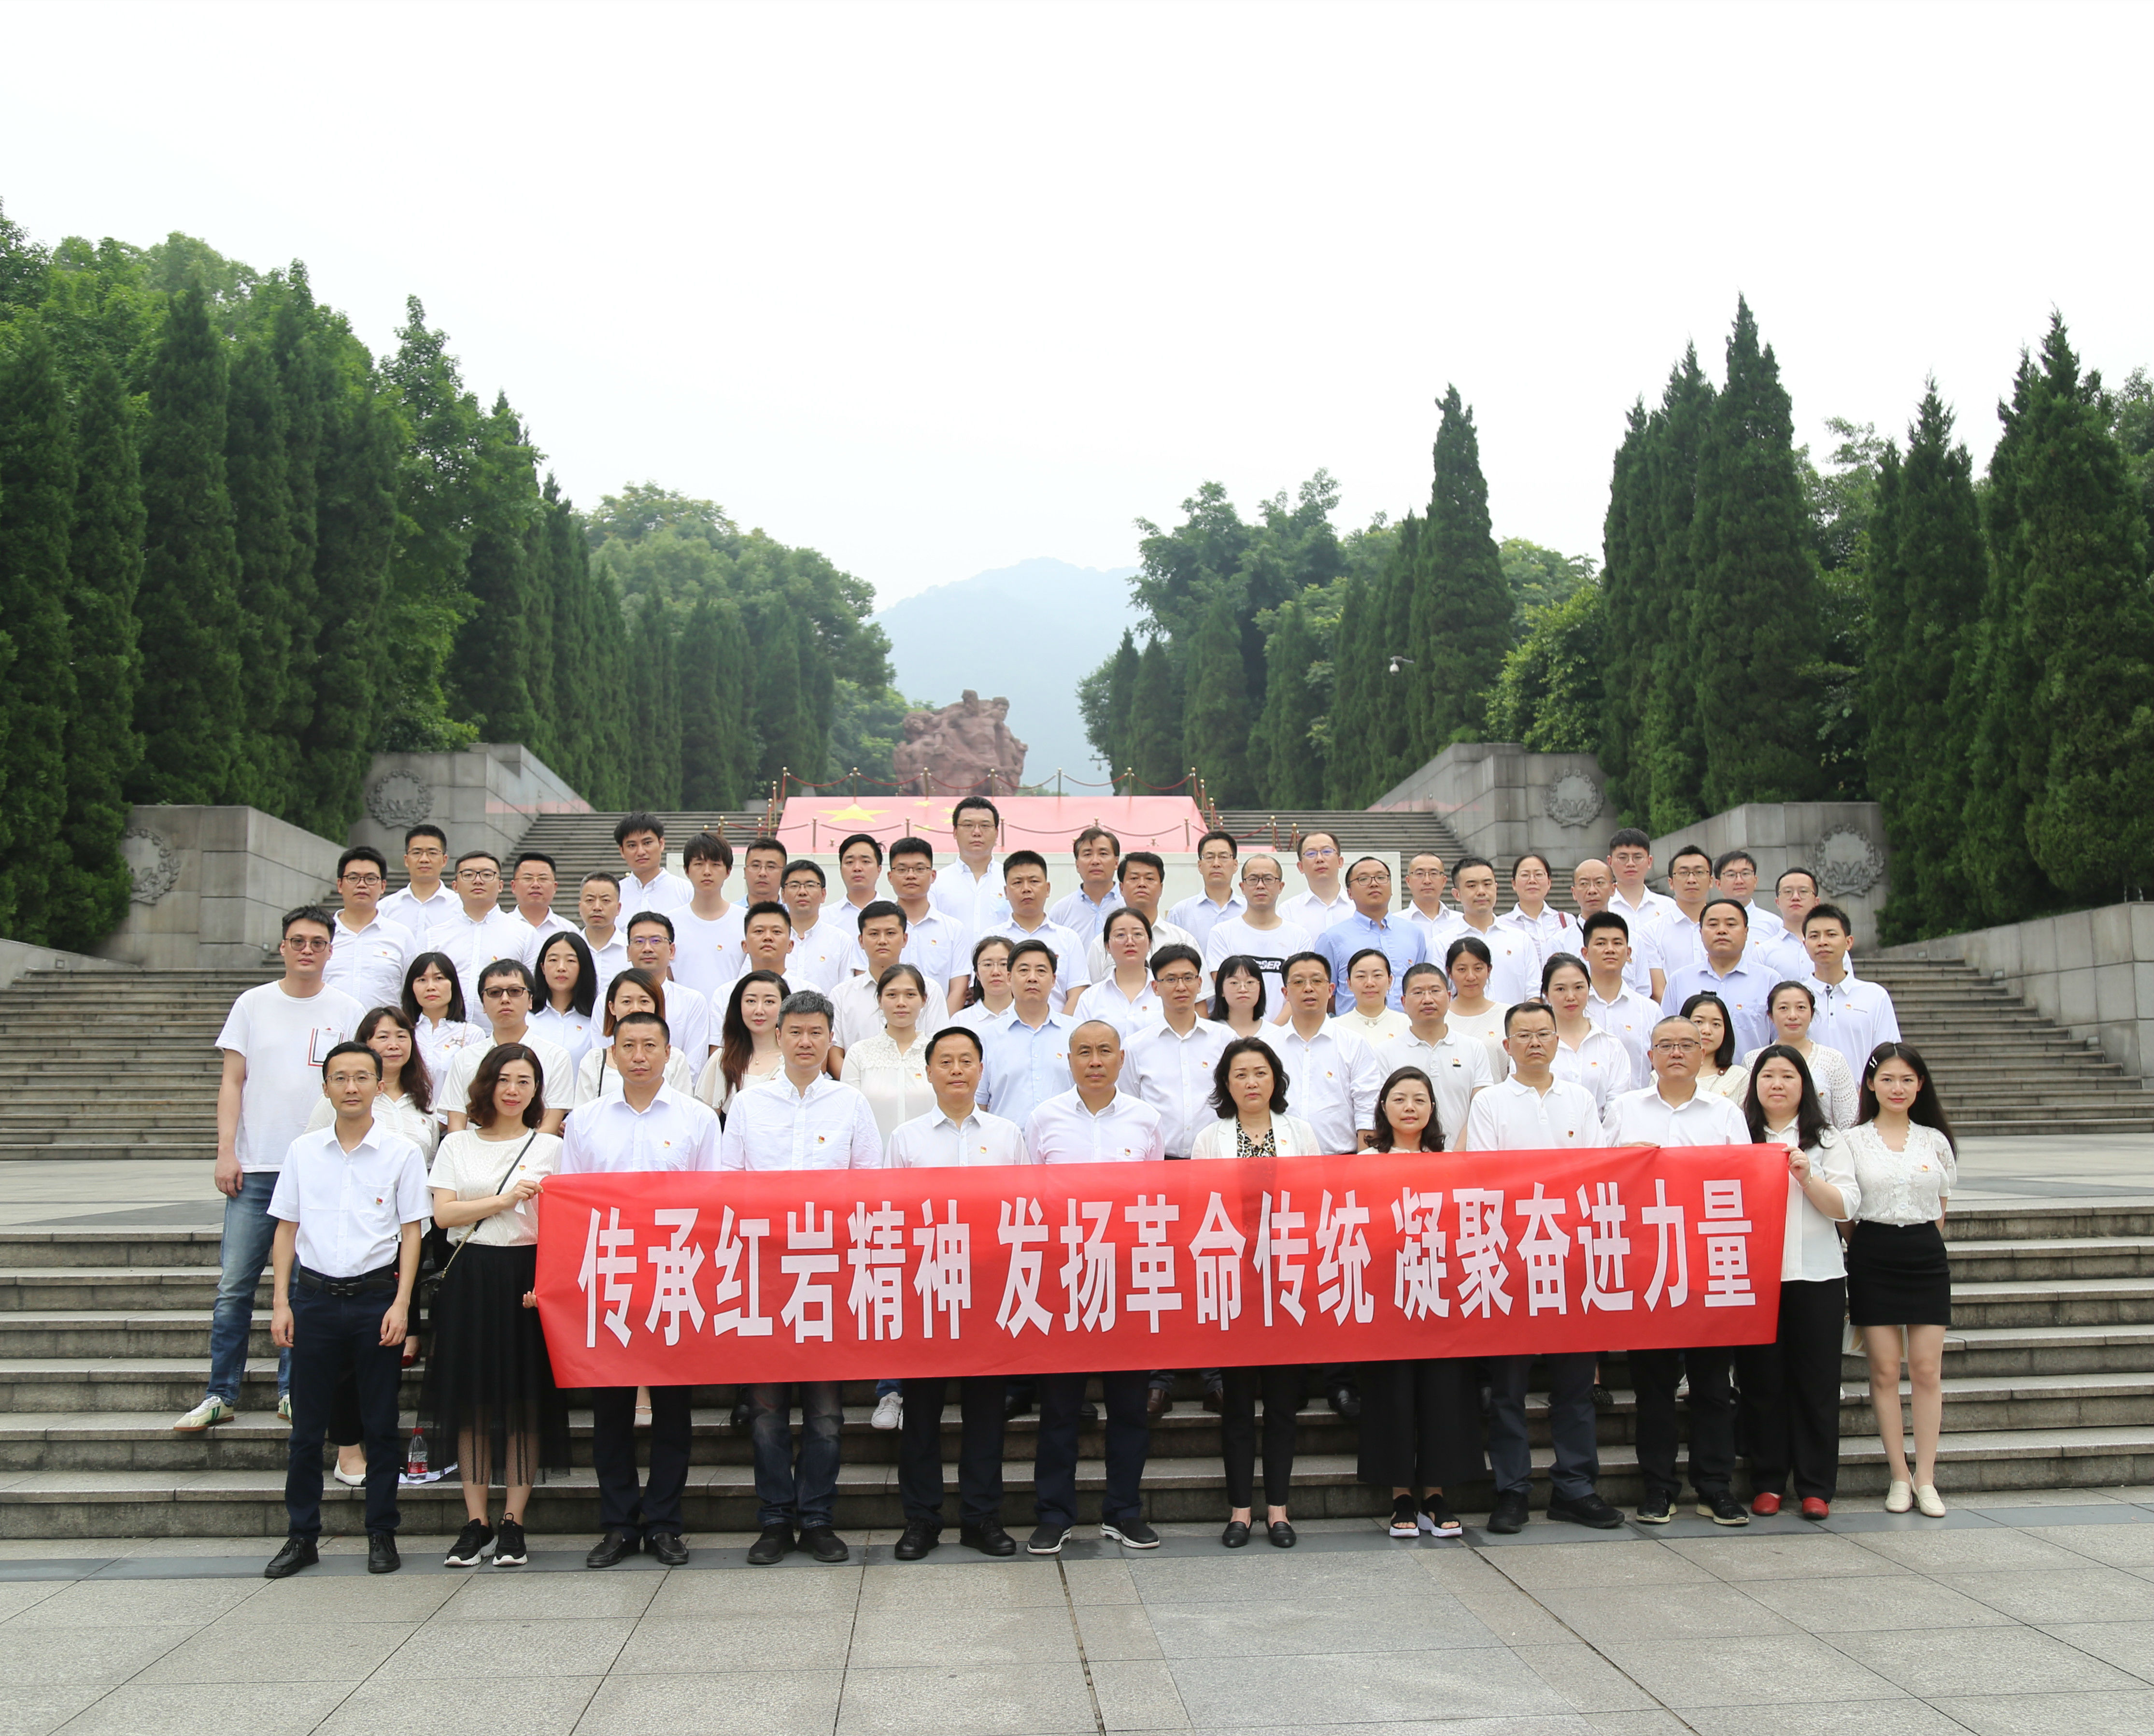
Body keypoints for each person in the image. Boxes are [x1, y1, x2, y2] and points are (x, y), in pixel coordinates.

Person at [175, 908, 364, 1435]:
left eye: (318, 942)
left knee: (305, 1287)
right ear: (282, 947)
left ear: (331, 951)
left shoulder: (348, 1010)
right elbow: (232, 1082)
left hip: (317, 1168)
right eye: (297, 941)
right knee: (235, 1285)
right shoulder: (252, 1004)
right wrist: (226, 1151)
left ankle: (291, 1391)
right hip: (256, 1167)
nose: (307, 950)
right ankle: (221, 1393)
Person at [720, 991, 883, 1565]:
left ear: (830, 1037)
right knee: (766, 1411)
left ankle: (816, 1518)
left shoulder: (851, 1103)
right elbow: (728, 1186)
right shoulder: (748, 1104)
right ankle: (773, 1520)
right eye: (796, 1032)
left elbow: (868, 1186)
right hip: (764, 1274)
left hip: (828, 1273)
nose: (806, 1042)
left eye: (816, 1032)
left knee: (826, 1413)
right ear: (779, 1036)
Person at [261, 1041, 429, 1579]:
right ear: (326, 1087)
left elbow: (412, 1233)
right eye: (340, 1078)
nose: (351, 1087)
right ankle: (301, 1537)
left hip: (376, 1300)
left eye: (361, 1077)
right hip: (314, 1300)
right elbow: (286, 1229)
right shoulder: (303, 1152)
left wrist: (402, 1305)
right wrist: (281, 1302)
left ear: (380, 1085)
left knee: (380, 1423)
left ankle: (381, 1531)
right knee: (307, 1429)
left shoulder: (402, 1153)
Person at [563, 1010, 719, 1569]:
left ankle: (665, 1524)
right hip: (608, 1278)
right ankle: (618, 1524)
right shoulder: (584, 1121)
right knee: (610, 1410)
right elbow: (571, 1205)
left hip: (676, 1277)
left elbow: (713, 1203)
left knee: (673, 1410)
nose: (638, 1056)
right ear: (612, 1053)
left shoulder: (698, 1119)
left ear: (668, 1054)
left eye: (649, 1045)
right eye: (628, 1045)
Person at [1461, 1002, 1616, 1530]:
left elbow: (1596, 1174)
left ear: (1556, 1041)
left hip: (1572, 1261)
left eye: (1543, 1034)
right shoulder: (1490, 1102)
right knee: (1508, 1389)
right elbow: (1486, 1178)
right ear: (1506, 1045)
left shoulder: (1579, 1099)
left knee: (1575, 1386)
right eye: (1523, 1035)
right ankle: (1512, 1490)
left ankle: (1575, 1488)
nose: (1534, 1043)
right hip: (1510, 1261)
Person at [1023, 1020, 1165, 1554]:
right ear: (1069, 1060)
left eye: (1105, 1051)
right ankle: (1054, 1514)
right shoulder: (1044, 1118)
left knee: (1128, 1407)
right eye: (1084, 1052)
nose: (1095, 1061)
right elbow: (1030, 1199)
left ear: (1121, 1058)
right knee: (1060, 1408)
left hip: (1127, 1277)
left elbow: (1157, 1198)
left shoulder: (1145, 1119)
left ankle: (1123, 1512)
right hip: (1064, 1279)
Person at [1604, 1014, 1752, 1527]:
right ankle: (1658, 1488)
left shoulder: (1725, 1112)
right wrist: (1622, 1159)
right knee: (1653, 1387)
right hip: (1647, 1266)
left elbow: (1744, 1181)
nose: (1675, 1053)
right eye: (1665, 1045)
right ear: (1650, 1055)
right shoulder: (1624, 1110)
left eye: (1686, 1045)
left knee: (1712, 1385)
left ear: (1702, 1053)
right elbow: (1599, 1179)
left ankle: (1715, 1487)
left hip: (1709, 1265)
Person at [425, 1044, 567, 1569]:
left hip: (527, 1275)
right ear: (486, 1084)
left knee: (523, 1403)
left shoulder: (551, 1147)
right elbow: (443, 1216)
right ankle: (475, 1520)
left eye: (524, 1081)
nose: (513, 1090)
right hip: (470, 1272)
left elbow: (564, 1224)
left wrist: (548, 1283)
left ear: (537, 1091)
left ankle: (513, 1522)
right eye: (505, 1079)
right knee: (472, 1405)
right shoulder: (457, 1143)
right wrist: (504, 1201)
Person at [887, 1026, 1027, 1560]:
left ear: (980, 1070)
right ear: (928, 1073)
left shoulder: (1008, 1135)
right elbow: (891, 1216)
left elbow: (1024, 1211)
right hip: (926, 1289)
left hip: (989, 1290)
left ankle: (980, 1517)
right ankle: (921, 1520)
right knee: (921, 1414)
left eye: (966, 1060)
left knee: (986, 1412)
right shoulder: (906, 1139)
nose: (956, 1070)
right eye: (945, 1061)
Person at [1189, 1037, 1316, 1548]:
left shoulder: (1299, 1133)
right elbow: (1198, 1209)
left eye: (1260, 1072)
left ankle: (1278, 1512)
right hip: (1234, 1282)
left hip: (1286, 1281)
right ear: (1227, 1083)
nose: (1251, 1082)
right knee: (1238, 1404)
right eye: (1240, 1074)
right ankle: (1239, 1511)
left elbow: (1316, 1203)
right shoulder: (1210, 1139)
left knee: (1283, 1404)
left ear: (1275, 1079)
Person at [303, 1005, 437, 1485]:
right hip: (350, 1246)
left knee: (386, 1354)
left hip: (410, 1234)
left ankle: (382, 1453)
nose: (393, 1043)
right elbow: (314, 1165)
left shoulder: (423, 1102)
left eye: (401, 1034)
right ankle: (348, 1451)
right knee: (346, 1364)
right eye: (382, 1035)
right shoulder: (341, 1098)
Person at [1358, 1066, 1483, 1541]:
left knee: (1443, 1394)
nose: (1409, 1108)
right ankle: (1400, 1498)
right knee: (1392, 1395)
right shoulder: (1363, 1163)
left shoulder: (1449, 1163)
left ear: (1432, 1108)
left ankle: (1435, 1494)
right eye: (1399, 1099)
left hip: (1440, 1294)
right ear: (1383, 1107)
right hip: (1385, 1295)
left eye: (1419, 1100)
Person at [1738, 1046, 1858, 1521]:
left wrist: (1808, 1178)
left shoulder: (1826, 1140)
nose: (1777, 1084)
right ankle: (1768, 1480)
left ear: (1803, 1085)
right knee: (1761, 1382)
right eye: (1768, 1075)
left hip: (1817, 1276)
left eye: (1788, 1076)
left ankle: (1815, 1486)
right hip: (1756, 1278)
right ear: (1755, 1085)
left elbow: (1845, 1206)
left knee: (1817, 1383)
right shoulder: (1739, 1135)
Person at [1846, 1043, 1956, 1518]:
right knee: (1885, 1371)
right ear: (1870, 1084)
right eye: (1887, 1079)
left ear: (1920, 1085)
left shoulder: (1934, 1140)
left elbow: (1941, 1207)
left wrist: (1917, 1240)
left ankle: (1926, 1478)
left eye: (1907, 1080)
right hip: (1872, 1255)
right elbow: (1845, 1214)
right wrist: (1868, 1247)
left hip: (1925, 1256)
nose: (1897, 1088)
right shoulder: (1851, 1141)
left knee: (1927, 1370)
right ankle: (1898, 1476)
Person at [439, 960, 573, 1135]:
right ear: (483, 1004)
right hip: (472, 1149)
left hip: (533, 1150)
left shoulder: (556, 1057)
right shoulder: (465, 1058)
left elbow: (549, 1127)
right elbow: (456, 1126)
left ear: (530, 1000)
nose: (505, 999)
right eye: (494, 993)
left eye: (515, 991)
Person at [1274, 953, 1382, 1155]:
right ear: (1285, 993)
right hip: (1279, 1161)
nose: (1308, 988)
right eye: (1298, 982)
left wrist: (1365, 1163)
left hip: (1341, 1162)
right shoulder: (1267, 1046)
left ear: (1331, 989)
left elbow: (1367, 1110)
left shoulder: (1354, 1044)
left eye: (1317, 981)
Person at [977, 939, 1077, 1134]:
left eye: (1041, 971)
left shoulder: (1076, 1034)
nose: (1032, 978)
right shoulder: (987, 1037)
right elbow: (980, 1103)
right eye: (1024, 970)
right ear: (1009, 978)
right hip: (1006, 1144)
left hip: (1065, 1142)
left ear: (1054, 980)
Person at [1659, 897, 1774, 1057]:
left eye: (1731, 924)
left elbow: (1780, 1039)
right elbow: (1666, 1036)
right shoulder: (1680, 980)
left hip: (1751, 1072)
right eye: (1713, 925)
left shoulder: (1769, 980)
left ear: (1746, 932)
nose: (1722, 931)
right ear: (1701, 933)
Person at [1394, 961, 1494, 1138]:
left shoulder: (1474, 1048)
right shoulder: (1386, 1052)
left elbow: (1482, 1109)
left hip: (1465, 1151)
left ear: (1449, 997)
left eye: (1435, 991)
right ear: (1404, 1002)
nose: (1428, 1000)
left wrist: (1459, 1151)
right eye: (1418, 993)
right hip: (1408, 1152)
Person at [1202, 853, 1312, 1012]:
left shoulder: (1299, 936)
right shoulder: (1222, 933)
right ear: (1242, 887)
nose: (1260, 885)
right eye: (1253, 879)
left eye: (1268, 879)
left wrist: (1274, 1026)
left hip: (1285, 1026)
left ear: (1281, 887)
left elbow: (1300, 990)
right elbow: (1225, 988)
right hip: (1238, 1025)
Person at [1803, 903, 1900, 1079]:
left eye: (1831, 935)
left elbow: (1888, 1056)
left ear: (1848, 942)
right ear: (1805, 944)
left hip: (1861, 1094)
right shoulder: (1795, 997)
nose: (1822, 942)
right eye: (1814, 936)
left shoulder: (1875, 996)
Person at [1315, 856, 1426, 1010]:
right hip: (1354, 1024)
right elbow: (1324, 994)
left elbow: (1421, 984)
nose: (1374, 884)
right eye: (1364, 879)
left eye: (1381, 878)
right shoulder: (1332, 939)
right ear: (1350, 893)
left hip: (1406, 1023)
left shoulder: (1414, 933)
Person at [840, 964, 937, 1139]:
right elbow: (848, 1116)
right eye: (892, 995)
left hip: (928, 1153)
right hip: (874, 1154)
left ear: (924, 1000)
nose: (901, 1003)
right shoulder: (859, 1054)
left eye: (910, 995)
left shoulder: (937, 1053)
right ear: (880, 1000)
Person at [426, 851, 530, 1011]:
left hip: (503, 1025)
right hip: (448, 1025)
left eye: (487, 875)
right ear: (455, 886)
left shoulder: (524, 933)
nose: (478, 881)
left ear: (501, 885)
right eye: (468, 875)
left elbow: (532, 989)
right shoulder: (434, 936)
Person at [573, 968, 696, 1103]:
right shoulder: (594, 1061)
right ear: (612, 1007)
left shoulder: (675, 1059)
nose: (635, 1009)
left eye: (644, 1001)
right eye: (627, 1002)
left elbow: (684, 1109)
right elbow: (584, 1112)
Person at [833, 902, 941, 1054]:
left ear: (905, 939)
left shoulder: (930, 989)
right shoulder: (842, 994)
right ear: (861, 941)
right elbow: (835, 1051)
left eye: (890, 933)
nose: (882, 941)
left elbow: (939, 1047)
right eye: (874, 934)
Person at [1747, 981, 1858, 1128]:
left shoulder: (1833, 1060)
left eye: (1801, 1008)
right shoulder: (1753, 1060)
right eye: (1783, 1008)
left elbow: (1849, 1122)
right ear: (1771, 1016)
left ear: (1812, 1014)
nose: (1793, 1016)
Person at [881, 837, 975, 1005]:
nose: (911, 876)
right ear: (890, 877)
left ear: (933, 876)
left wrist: (942, 1022)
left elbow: (958, 989)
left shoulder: (953, 929)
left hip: (941, 1019)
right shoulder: (878, 928)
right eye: (902, 870)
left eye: (919, 869)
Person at [985, 850, 1087, 1002]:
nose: (1026, 889)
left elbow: (1077, 993)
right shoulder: (991, 939)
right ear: (1006, 892)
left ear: (1048, 889)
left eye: (1034, 881)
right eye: (1018, 883)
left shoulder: (1068, 938)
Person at [325, 846, 416, 1011]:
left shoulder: (401, 936)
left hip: (384, 1027)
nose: (362, 885)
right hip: (330, 1025)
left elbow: (412, 993)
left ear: (383, 886)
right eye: (353, 878)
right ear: (340, 885)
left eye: (371, 879)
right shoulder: (322, 935)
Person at [1084, 851, 1196, 983]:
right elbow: (1093, 992)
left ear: (1161, 888)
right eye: (1134, 878)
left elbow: (1202, 994)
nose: (1142, 884)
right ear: (1121, 888)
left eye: (1150, 879)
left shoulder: (1183, 939)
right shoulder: (1102, 943)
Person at [1542, 952, 1632, 1112]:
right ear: (1547, 994)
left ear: (1589, 989)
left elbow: (1617, 1105)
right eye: (1561, 989)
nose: (1571, 997)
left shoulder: (1611, 1046)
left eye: (1579, 988)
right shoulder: (1534, 1046)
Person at [624, 911, 713, 1075]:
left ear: (672, 951)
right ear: (629, 952)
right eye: (639, 941)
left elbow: (694, 1069)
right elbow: (605, 1064)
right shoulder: (608, 1001)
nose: (647, 948)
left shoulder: (692, 1002)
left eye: (656, 941)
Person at [694, 968, 789, 1118]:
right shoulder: (722, 1059)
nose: (759, 1010)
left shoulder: (793, 1060)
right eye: (751, 1001)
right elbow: (706, 1121)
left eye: (769, 1002)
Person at [1579, 910, 1658, 1081]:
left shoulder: (1649, 1010)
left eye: (1617, 943)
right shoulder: (1572, 1007)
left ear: (1629, 953)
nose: (1610, 950)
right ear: (1585, 953)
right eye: (1601, 943)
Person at [1572, 857, 1666, 1000]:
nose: (1592, 891)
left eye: (1600, 883)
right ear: (1574, 892)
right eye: (1584, 884)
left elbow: (1643, 991)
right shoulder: (1560, 941)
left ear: (1613, 889)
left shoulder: (1634, 940)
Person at [671, 832, 747, 1007]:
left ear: (728, 871)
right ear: (687, 870)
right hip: (685, 1016)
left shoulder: (746, 921)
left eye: (715, 864)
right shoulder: (671, 923)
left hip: (732, 1016)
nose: (707, 872)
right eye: (699, 864)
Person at [1449, 857, 1538, 1004]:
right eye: (1472, 886)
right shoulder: (1443, 943)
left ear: (1496, 887)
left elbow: (1534, 993)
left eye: (1487, 884)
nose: (1481, 892)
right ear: (1457, 894)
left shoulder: (1521, 940)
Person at [402, 951, 490, 1096]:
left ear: (453, 984)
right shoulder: (403, 1032)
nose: (431, 987)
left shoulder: (472, 1034)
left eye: (439, 978)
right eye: (422, 980)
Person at [1073, 907, 1164, 1031]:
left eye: (1138, 934)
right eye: (1120, 935)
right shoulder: (1090, 998)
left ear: (1150, 943)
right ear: (1107, 946)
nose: (1130, 942)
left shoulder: (1166, 992)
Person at [931, 795, 1007, 932]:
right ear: (955, 832)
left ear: (997, 833)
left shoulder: (1010, 880)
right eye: (968, 825)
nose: (977, 832)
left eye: (985, 826)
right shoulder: (936, 883)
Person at [529, 931, 600, 1070]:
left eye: (571, 961)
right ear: (543, 968)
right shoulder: (526, 1016)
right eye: (553, 960)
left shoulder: (596, 1018)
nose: (561, 968)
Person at [1442, 937, 1511, 1079]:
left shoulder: (1507, 1015)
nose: (1471, 977)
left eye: (1478, 969)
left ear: (1489, 970)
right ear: (1450, 972)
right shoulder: (1439, 1017)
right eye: (1462, 970)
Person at [780, 858, 852, 992]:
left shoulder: (841, 940)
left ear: (823, 894)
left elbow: (846, 991)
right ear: (783, 895)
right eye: (794, 886)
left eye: (810, 885)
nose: (802, 892)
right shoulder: (772, 939)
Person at [1496, 852, 1576, 968]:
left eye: (1539, 874)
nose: (1532, 880)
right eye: (1525, 875)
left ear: (1549, 883)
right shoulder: (1501, 925)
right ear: (1514, 884)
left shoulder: (1567, 921)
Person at [1168, 828, 1245, 949]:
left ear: (1235, 865)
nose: (1216, 864)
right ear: (1200, 866)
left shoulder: (1249, 910)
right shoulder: (1180, 913)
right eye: (1209, 857)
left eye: (1223, 857)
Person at [1049, 825, 1125, 942]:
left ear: (1116, 862)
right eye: (1088, 855)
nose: (1095, 861)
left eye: (1103, 854)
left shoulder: (1128, 905)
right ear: (1077, 865)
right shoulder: (1060, 911)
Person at [1606, 827, 1682, 941]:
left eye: (1638, 858)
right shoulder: (1604, 907)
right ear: (1610, 862)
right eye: (1623, 858)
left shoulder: (1668, 907)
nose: (1630, 864)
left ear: (1650, 862)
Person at [614, 811, 691, 916]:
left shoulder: (687, 892)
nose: (641, 852)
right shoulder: (614, 895)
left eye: (647, 843)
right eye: (632, 845)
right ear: (622, 851)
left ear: (661, 844)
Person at [380, 823, 455, 931]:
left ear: (444, 860)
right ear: (406, 860)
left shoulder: (461, 907)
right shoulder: (385, 908)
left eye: (432, 853)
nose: (424, 859)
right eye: (417, 853)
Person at [1331, 949, 1411, 1047]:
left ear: (1390, 981)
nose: (1370, 983)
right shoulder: (1335, 1028)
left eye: (1377, 975)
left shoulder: (1408, 1025)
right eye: (1361, 976)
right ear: (1350, 984)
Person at [1681, 991, 1751, 1101]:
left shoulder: (1740, 1077)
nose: (1707, 1031)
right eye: (1699, 1022)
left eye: (1716, 1024)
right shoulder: (1663, 1074)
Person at [506, 852, 575, 962]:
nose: (535, 885)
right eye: (528, 878)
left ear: (555, 887)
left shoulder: (569, 930)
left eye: (543, 879)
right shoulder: (501, 927)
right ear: (513, 886)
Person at [1278, 829, 1349, 930]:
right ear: (1301, 867)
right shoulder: (1288, 911)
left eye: (1327, 852)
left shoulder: (1360, 906)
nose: (1320, 859)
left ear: (1340, 862)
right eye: (1311, 854)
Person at [1401, 850, 1467, 954]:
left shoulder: (1462, 922)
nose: (1427, 881)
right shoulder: (1396, 924)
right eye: (1420, 874)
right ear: (1408, 881)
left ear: (1444, 881)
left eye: (1434, 874)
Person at [950, 934, 1017, 1034]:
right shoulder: (961, 1021)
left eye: (1004, 964)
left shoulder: (1031, 1016)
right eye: (988, 965)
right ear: (977, 974)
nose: (996, 972)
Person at [1713, 849, 1784, 940]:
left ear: (1755, 881)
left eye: (1745, 874)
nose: (1739, 881)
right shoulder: (1709, 923)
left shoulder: (1774, 924)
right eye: (1731, 875)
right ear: (1718, 884)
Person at [578, 871, 631, 985]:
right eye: (590, 900)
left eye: (606, 901)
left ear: (618, 908)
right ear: (580, 907)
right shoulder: (570, 949)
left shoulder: (632, 949)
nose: (597, 907)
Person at [1207, 956, 1269, 1039]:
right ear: (1221, 990)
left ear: (1260, 989)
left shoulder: (1275, 1035)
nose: (1243, 990)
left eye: (1250, 982)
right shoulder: (1208, 1033)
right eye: (1234, 983)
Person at [738, 898, 797, 983]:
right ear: (745, 946)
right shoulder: (730, 990)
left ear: (790, 946)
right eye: (759, 931)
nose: (768, 937)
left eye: (776, 932)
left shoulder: (806, 989)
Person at [834, 831, 887, 921]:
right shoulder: (824, 917)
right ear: (841, 869)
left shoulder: (897, 913)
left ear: (879, 869)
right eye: (850, 862)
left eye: (866, 861)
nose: (857, 868)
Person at [739, 835, 790, 908]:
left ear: (784, 875)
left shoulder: (794, 914)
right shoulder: (729, 913)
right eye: (756, 866)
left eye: (771, 867)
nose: (762, 873)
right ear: (745, 872)